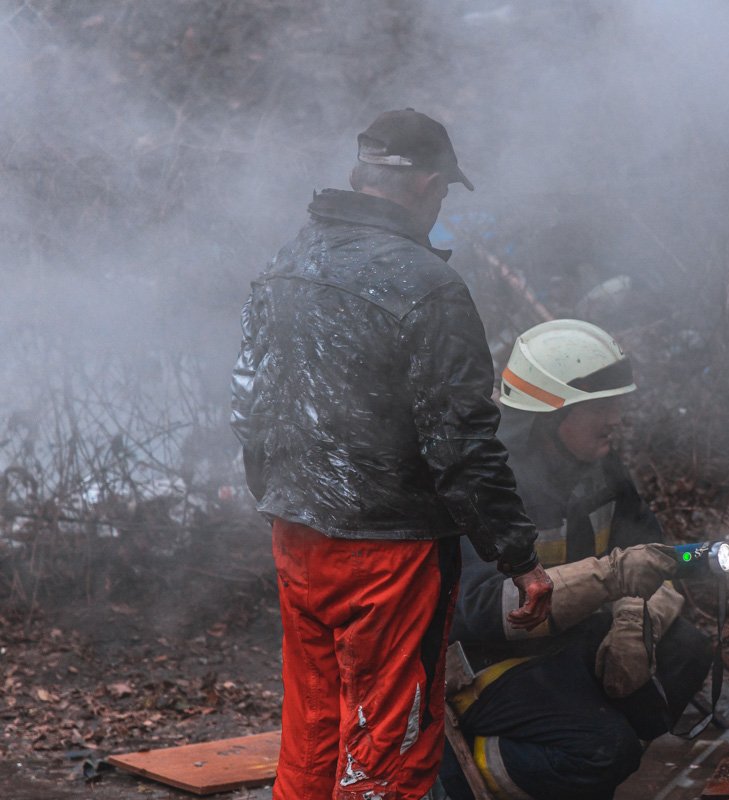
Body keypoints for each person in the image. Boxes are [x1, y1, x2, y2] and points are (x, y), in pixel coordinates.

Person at [230, 109, 553, 800]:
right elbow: (461, 442)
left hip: (296, 533)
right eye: (441, 196)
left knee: (312, 733)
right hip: (388, 554)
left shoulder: (288, 260)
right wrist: (518, 557)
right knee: (389, 748)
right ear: (427, 184)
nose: (440, 209)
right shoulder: (428, 287)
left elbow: (247, 398)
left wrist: (280, 493)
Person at [439, 320, 712, 800]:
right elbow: (483, 609)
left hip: (569, 643)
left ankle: (579, 764)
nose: (615, 419)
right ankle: (461, 776)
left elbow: (656, 557)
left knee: (686, 651)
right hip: (490, 666)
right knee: (603, 748)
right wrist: (609, 578)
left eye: (617, 404)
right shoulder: (487, 487)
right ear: (548, 415)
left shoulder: (600, 470)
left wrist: (633, 622)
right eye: (601, 407)